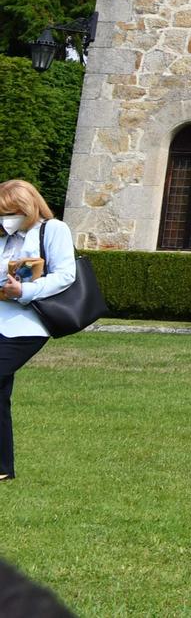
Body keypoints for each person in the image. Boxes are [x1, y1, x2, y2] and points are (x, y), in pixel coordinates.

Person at [0, 180, 76, 484]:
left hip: (28, 325)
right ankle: (3, 467)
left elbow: (65, 275)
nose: (5, 218)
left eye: (10, 212)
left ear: (27, 208)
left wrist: (26, 290)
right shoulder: (4, 236)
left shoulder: (53, 229)